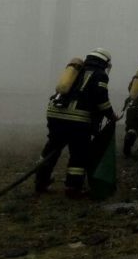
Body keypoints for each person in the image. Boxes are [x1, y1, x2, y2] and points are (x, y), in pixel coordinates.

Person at [35, 48, 120, 198]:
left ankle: (41, 182)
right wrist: (111, 116)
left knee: (52, 148)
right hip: (77, 120)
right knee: (79, 153)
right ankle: (73, 188)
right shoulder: (100, 75)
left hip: (55, 115)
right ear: (104, 62)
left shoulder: (76, 70)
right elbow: (101, 99)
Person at [122, 61, 138, 157]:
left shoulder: (137, 76)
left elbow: (130, 89)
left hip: (132, 107)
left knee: (132, 128)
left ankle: (128, 144)